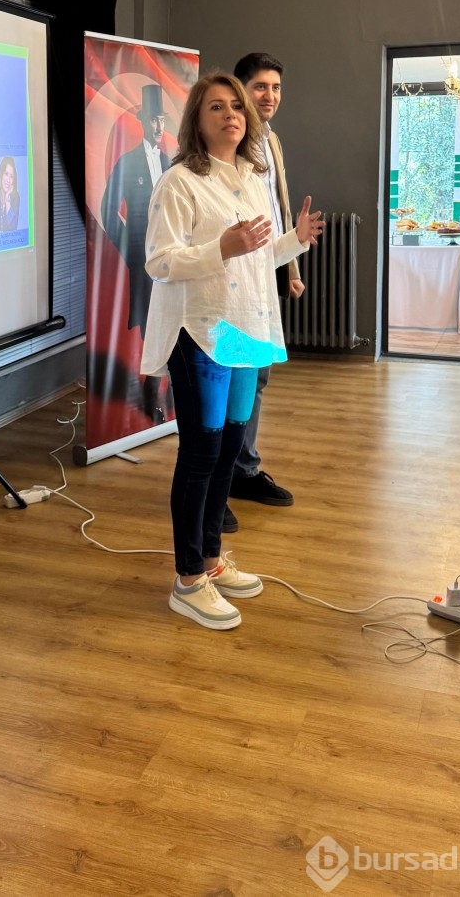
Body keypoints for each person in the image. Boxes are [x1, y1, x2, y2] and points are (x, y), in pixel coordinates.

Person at [140, 71, 323, 630]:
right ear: (197, 120)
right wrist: (220, 246)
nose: (231, 115)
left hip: (246, 330)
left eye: (236, 107)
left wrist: (294, 241)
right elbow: (160, 261)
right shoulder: (179, 182)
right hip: (201, 331)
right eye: (216, 107)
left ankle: (211, 559)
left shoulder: (252, 177)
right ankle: (187, 579)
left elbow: (255, 259)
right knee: (201, 453)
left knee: (227, 453)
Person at [226, 51, 303, 527]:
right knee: (234, 375)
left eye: (275, 88)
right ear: (240, 88)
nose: (269, 96)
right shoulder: (229, 141)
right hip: (235, 272)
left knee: (257, 375)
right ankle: (219, 481)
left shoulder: (271, 140)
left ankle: (243, 469)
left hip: (268, 264)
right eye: (260, 87)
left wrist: (290, 267)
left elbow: (280, 206)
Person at [101, 83, 171, 419]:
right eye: (153, 119)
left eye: (162, 119)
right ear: (143, 121)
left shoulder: (170, 162)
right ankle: (150, 393)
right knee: (150, 327)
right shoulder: (128, 163)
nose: (159, 126)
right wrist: (131, 251)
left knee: (171, 324)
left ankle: (163, 389)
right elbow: (108, 210)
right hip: (143, 263)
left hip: (173, 261)